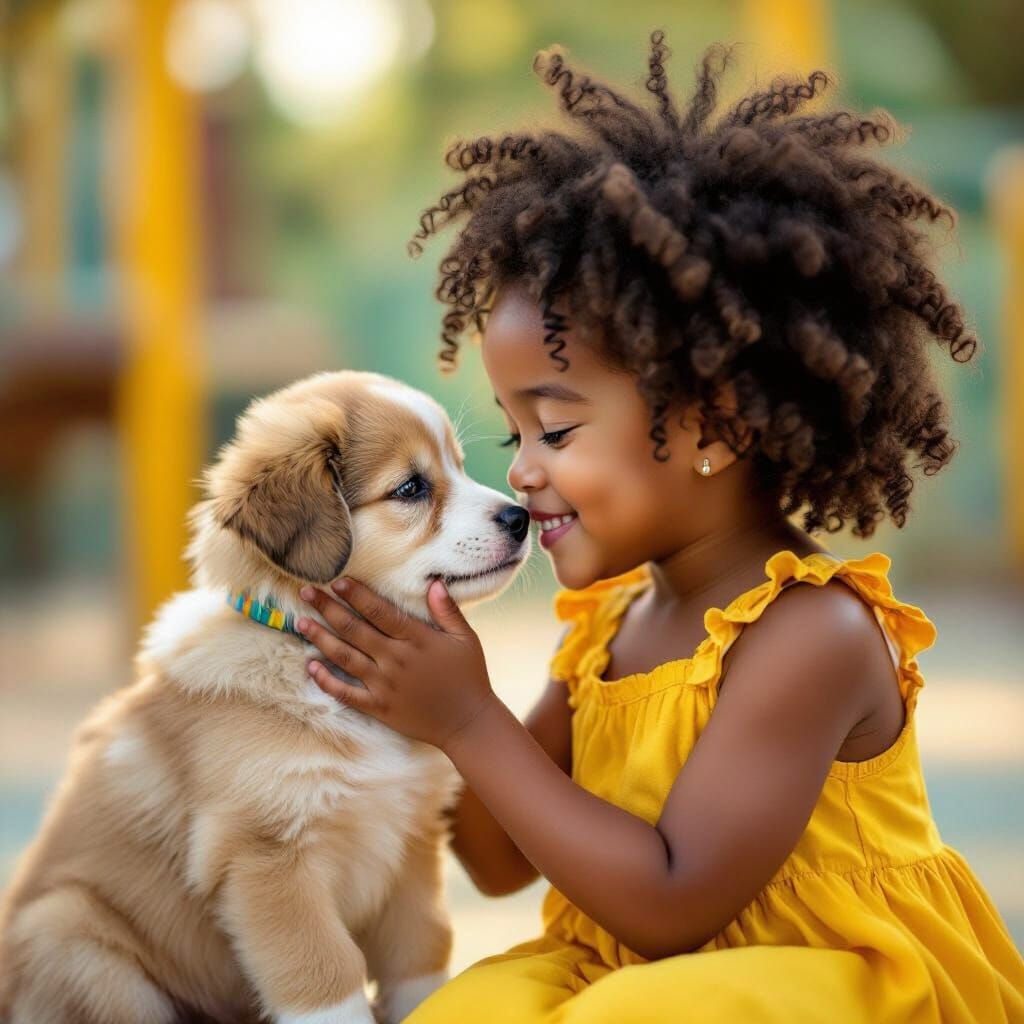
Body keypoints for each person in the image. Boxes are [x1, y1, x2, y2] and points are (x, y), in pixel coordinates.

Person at [296, 30, 1024, 1023]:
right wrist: (401, 701)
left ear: (713, 421)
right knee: (464, 1012)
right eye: (512, 429)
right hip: (637, 970)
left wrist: (467, 716)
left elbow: (675, 901)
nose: (520, 468)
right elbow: (502, 858)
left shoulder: (811, 634)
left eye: (553, 426)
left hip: (821, 977)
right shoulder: (611, 625)